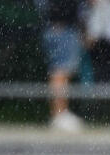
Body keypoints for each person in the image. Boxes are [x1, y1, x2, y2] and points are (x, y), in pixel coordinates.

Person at [40, 0, 86, 131]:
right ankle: (59, 115)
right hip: (62, 27)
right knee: (60, 72)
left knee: (62, 72)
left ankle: (61, 113)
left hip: (60, 27)